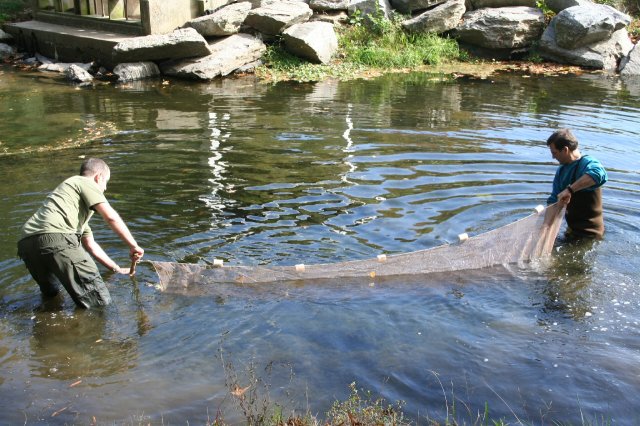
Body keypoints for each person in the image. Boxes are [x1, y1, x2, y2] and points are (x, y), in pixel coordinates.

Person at [17, 158, 144, 308]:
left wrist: (115, 269)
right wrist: (133, 245)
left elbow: (91, 245)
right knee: (99, 301)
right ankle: (94, 329)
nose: (105, 189)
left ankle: (49, 327)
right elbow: (110, 217)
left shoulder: (70, 213)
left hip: (26, 243)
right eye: (106, 183)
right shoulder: (84, 182)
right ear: (99, 177)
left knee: (52, 298)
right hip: (55, 237)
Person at [546, 129, 607, 238]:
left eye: (554, 153)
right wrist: (544, 227)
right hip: (571, 231)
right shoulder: (561, 171)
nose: (553, 157)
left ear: (565, 150)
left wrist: (569, 190)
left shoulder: (588, 163)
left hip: (592, 235)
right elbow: (553, 200)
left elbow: (599, 174)